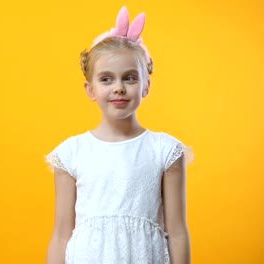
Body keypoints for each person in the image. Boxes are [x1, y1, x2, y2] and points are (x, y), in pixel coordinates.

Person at [45, 6, 193, 264]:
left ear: (146, 85)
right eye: (106, 79)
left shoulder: (165, 151)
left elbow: (178, 232)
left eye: (130, 78)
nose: (119, 88)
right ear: (90, 89)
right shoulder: (72, 153)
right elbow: (60, 234)